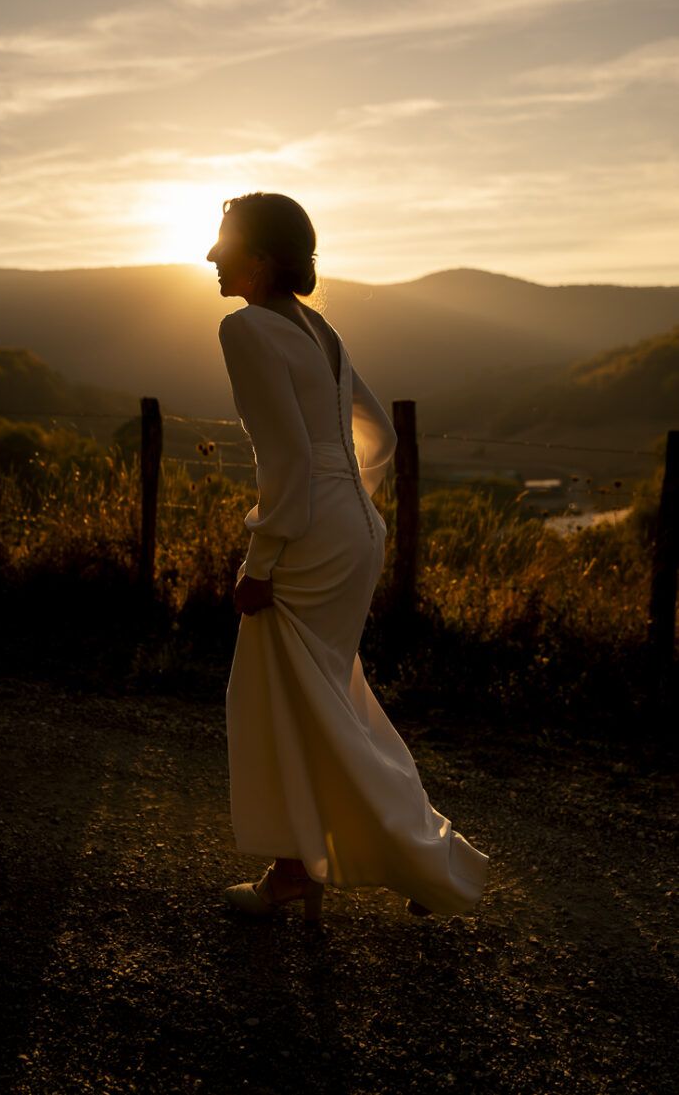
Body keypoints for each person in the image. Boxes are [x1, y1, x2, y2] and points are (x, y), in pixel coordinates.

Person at [206, 192, 488, 926]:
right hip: (356, 528)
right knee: (316, 699)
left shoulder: (246, 329)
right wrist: (349, 498)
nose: (211, 256)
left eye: (224, 244)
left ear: (261, 259)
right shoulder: (320, 330)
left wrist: (260, 559)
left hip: (309, 535)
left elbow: (290, 459)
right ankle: (301, 866)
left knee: (289, 699)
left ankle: (410, 862)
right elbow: (380, 436)